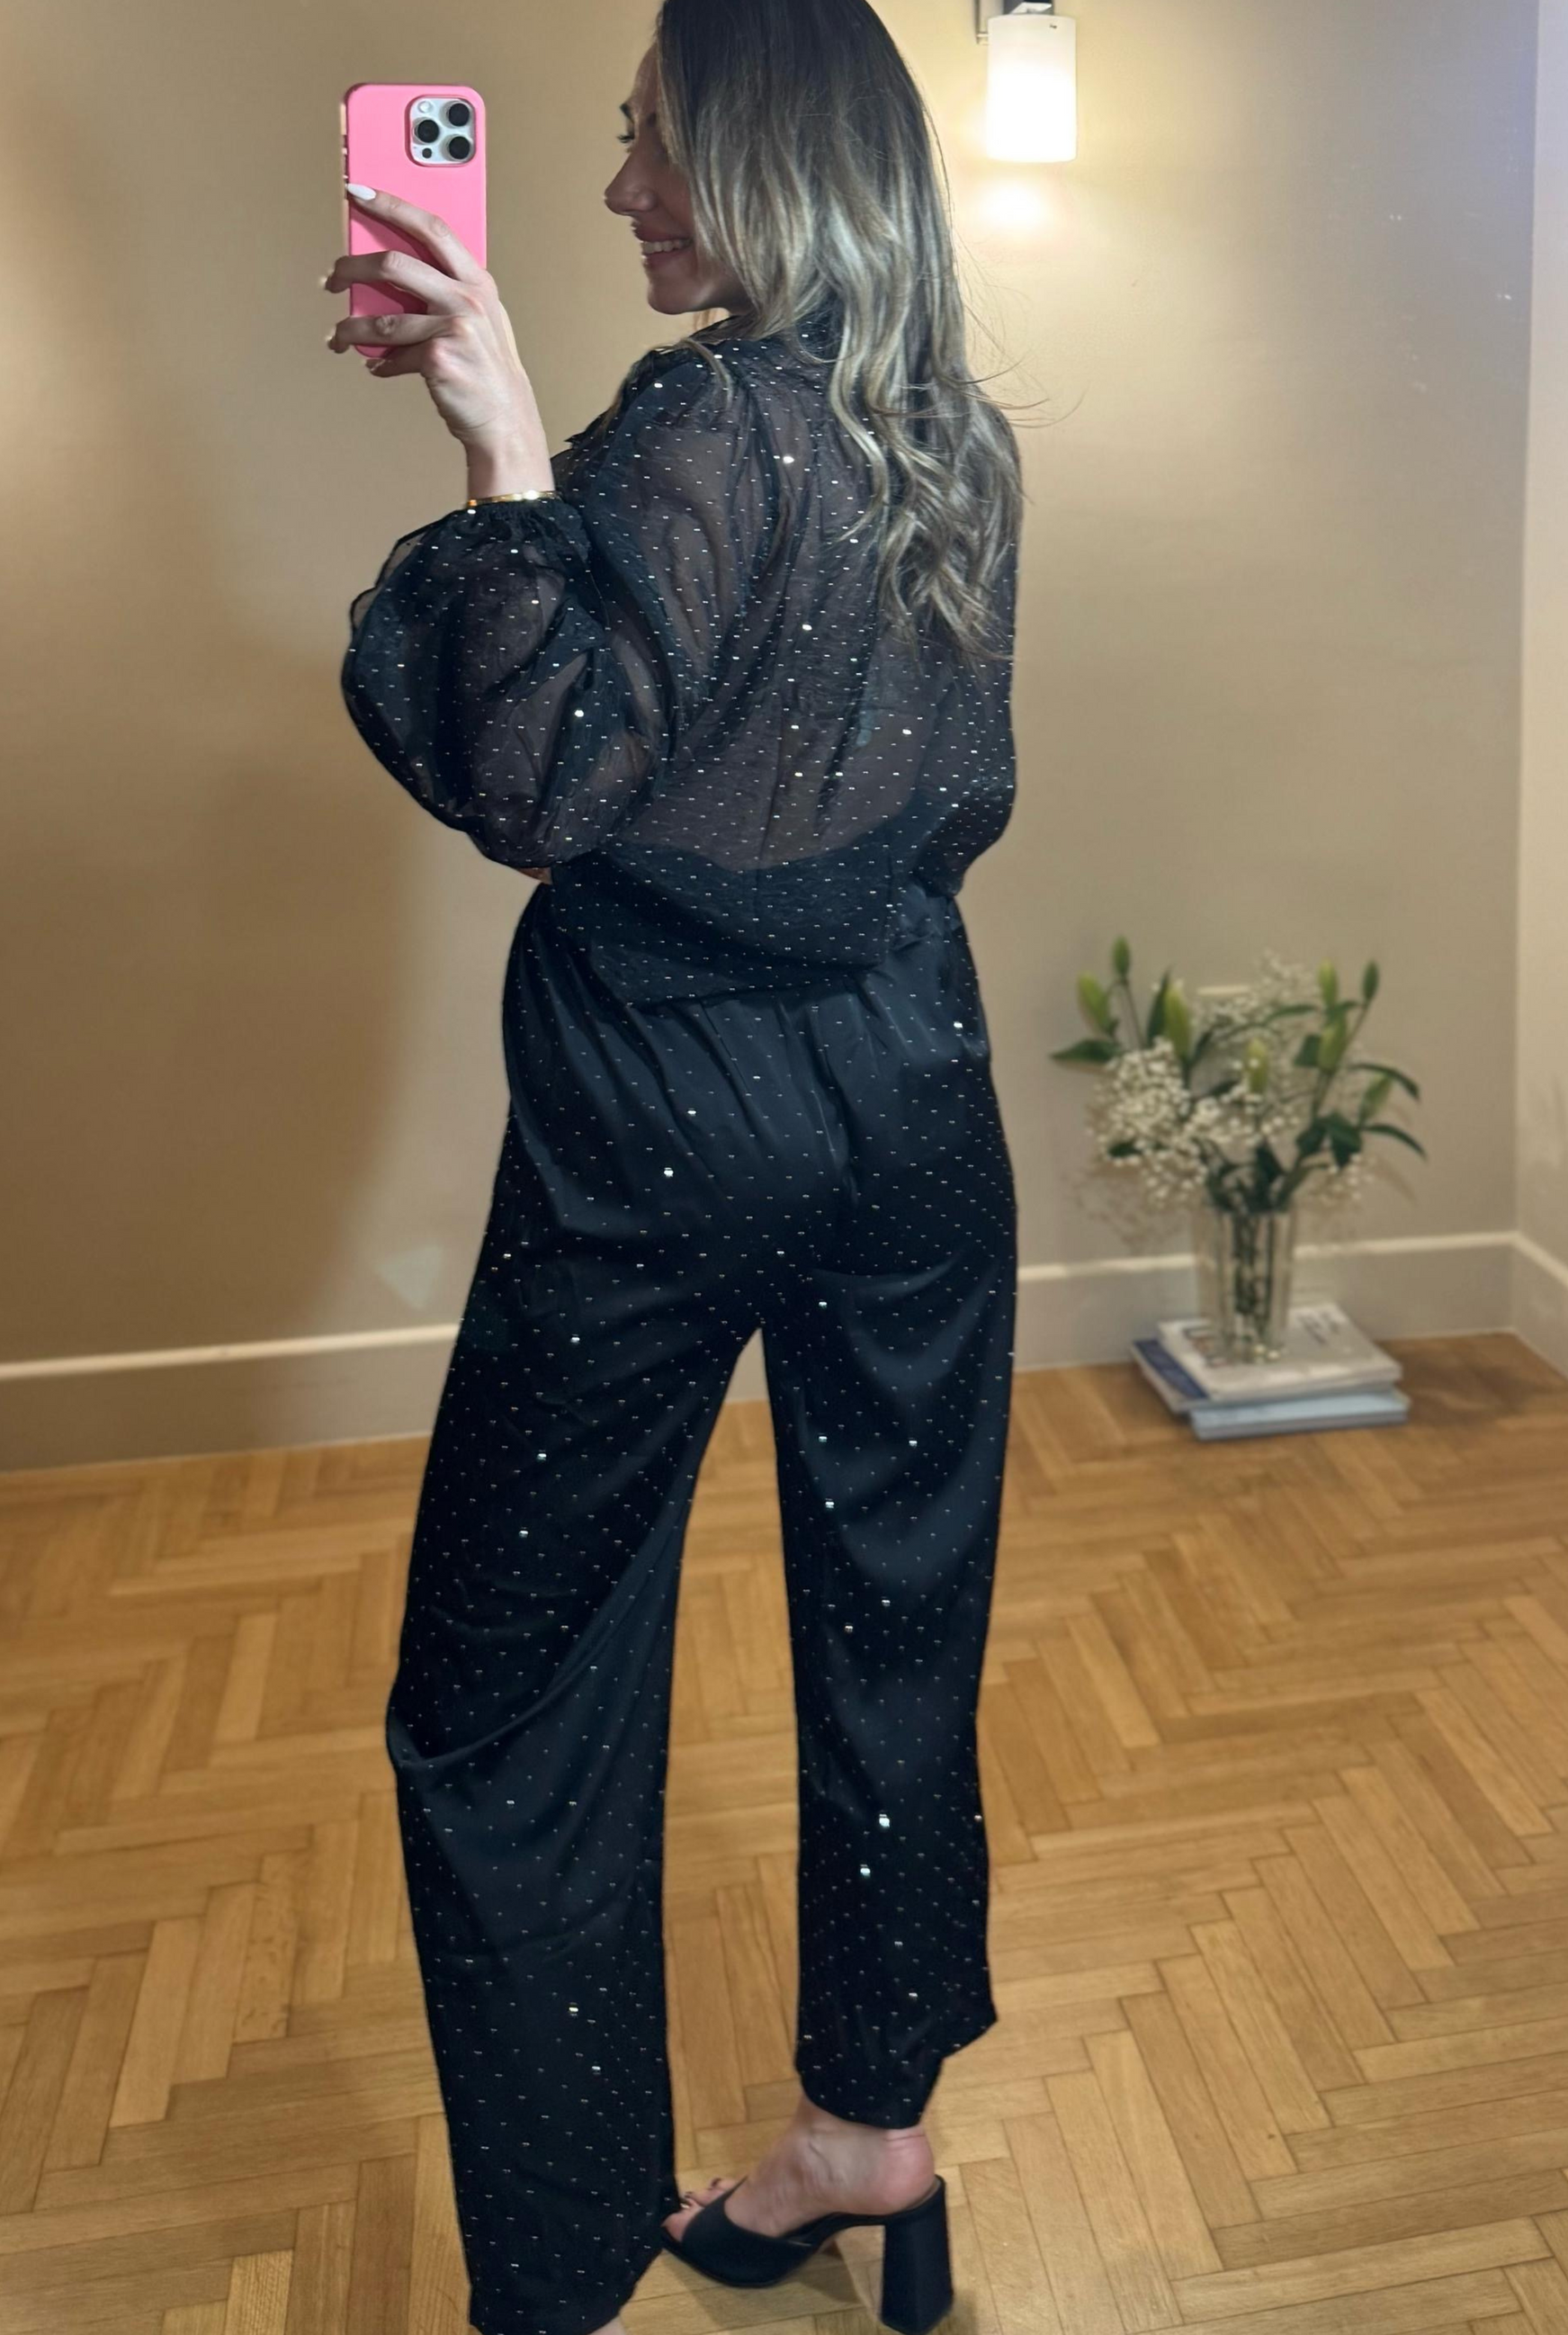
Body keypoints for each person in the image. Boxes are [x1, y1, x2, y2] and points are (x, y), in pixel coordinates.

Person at [327, 3, 1023, 2330]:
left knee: (506, 1689)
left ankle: (554, 2271)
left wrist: (500, 435)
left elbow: (544, 780)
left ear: (762, 161)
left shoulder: (704, 415)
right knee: (898, 1622)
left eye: (651, 144)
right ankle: (870, 2138)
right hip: (915, 1095)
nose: (623, 186)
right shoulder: (953, 430)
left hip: (666, 1125)